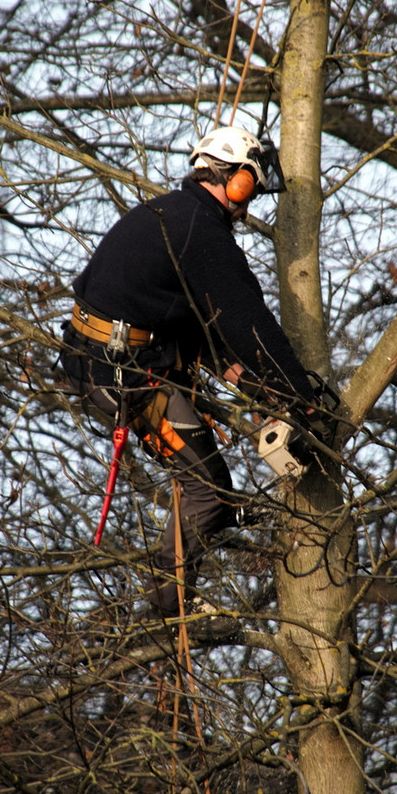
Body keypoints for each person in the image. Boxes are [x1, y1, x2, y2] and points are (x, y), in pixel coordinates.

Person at [61, 125, 319, 618]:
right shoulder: (201, 231)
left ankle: (218, 520)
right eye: (250, 192)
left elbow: (199, 316)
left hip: (102, 357)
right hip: (122, 372)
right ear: (236, 181)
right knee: (209, 489)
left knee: (208, 482)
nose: (248, 207)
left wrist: (240, 372)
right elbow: (247, 320)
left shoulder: (172, 213)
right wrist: (298, 394)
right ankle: (170, 607)